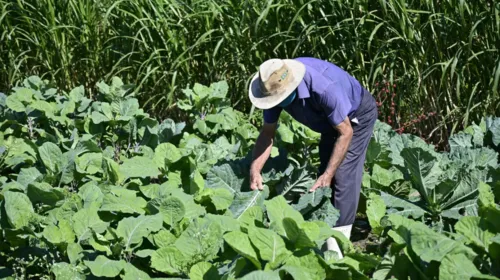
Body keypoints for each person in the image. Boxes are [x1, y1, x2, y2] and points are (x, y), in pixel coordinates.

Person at [247, 57, 378, 258]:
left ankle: (338, 248)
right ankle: (325, 232)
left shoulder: (323, 88)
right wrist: (255, 169)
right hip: (328, 122)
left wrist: (328, 174)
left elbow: (346, 132)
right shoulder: (272, 88)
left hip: (355, 116)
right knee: (323, 180)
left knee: (342, 175)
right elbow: (267, 134)